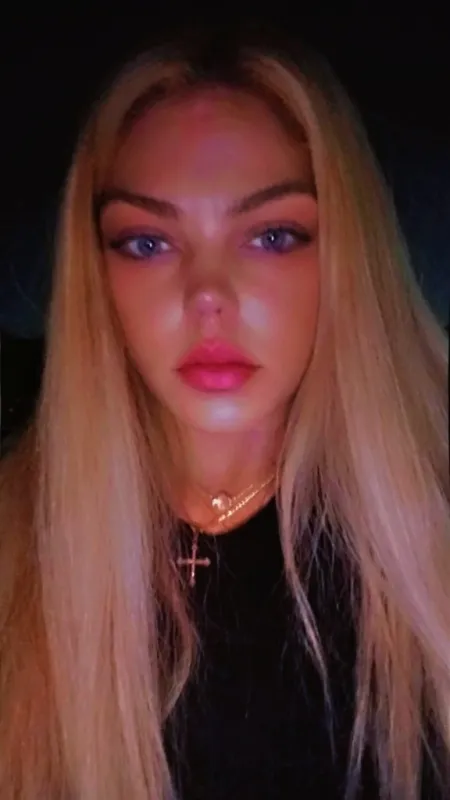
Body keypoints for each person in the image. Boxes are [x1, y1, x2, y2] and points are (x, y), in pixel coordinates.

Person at [0, 23, 448, 800]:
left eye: (273, 235)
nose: (208, 296)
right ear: (93, 274)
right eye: (147, 243)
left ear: (346, 255)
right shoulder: (16, 547)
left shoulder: (431, 541)